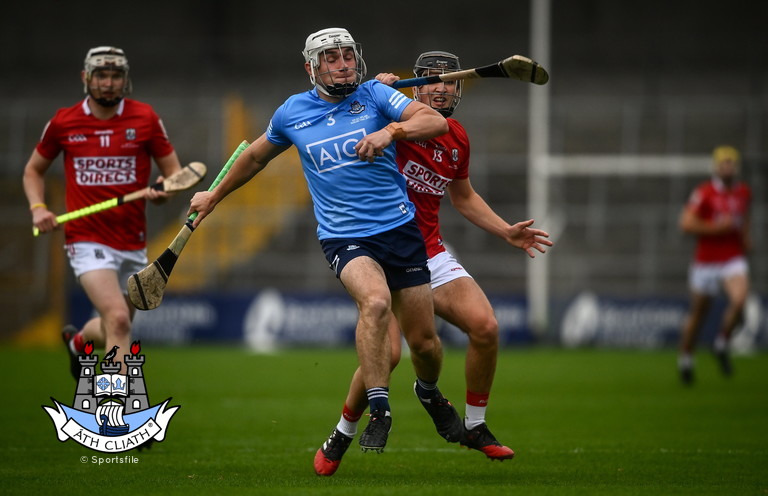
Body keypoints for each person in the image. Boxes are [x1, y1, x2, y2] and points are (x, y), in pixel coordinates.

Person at [187, 28, 462, 455]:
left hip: (400, 231)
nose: (343, 64)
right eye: (331, 58)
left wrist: (391, 132)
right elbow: (257, 155)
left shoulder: (374, 95)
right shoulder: (291, 112)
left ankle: (428, 391)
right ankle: (380, 411)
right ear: (311, 67)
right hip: (344, 236)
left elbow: (435, 121)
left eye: (347, 55)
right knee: (374, 303)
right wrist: (213, 196)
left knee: (425, 344)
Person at [313, 51, 553, 476]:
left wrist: (505, 231)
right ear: (416, 88)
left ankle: (473, 425)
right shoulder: (382, 115)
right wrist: (376, 95)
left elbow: (463, 196)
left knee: (485, 327)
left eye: (450, 82)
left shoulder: (456, 137)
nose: (442, 88)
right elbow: (348, 108)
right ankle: (343, 431)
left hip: (431, 253)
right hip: (378, 250)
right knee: (385, 356)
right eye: (432, 81)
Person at [23, 46, 183, 377]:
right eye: (101, 76)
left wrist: (163, 192)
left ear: (126, 80)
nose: (109, 83)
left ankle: (80, 341)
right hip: (86, 238)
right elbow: (33, 171)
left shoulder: (145, 118)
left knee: (114, 324)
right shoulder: (64, 122)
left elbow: (175, 176)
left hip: (132, 239)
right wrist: (38, 208)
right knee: (120, 320)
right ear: (86, 78)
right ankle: (117, 413)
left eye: (115, 76)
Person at [677, 145, 752, 385]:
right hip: (706, 261)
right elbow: (686, 224)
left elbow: (744, 219)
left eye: (731, 163)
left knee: (740, 299)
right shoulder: (704, 193)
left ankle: (721, 343)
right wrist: (716, 228)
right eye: (723, 163)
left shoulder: (743, 193)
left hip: (732, 257)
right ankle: (686, 358)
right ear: (716, 167)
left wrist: (746, 239)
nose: (728, 167)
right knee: (699, 313)